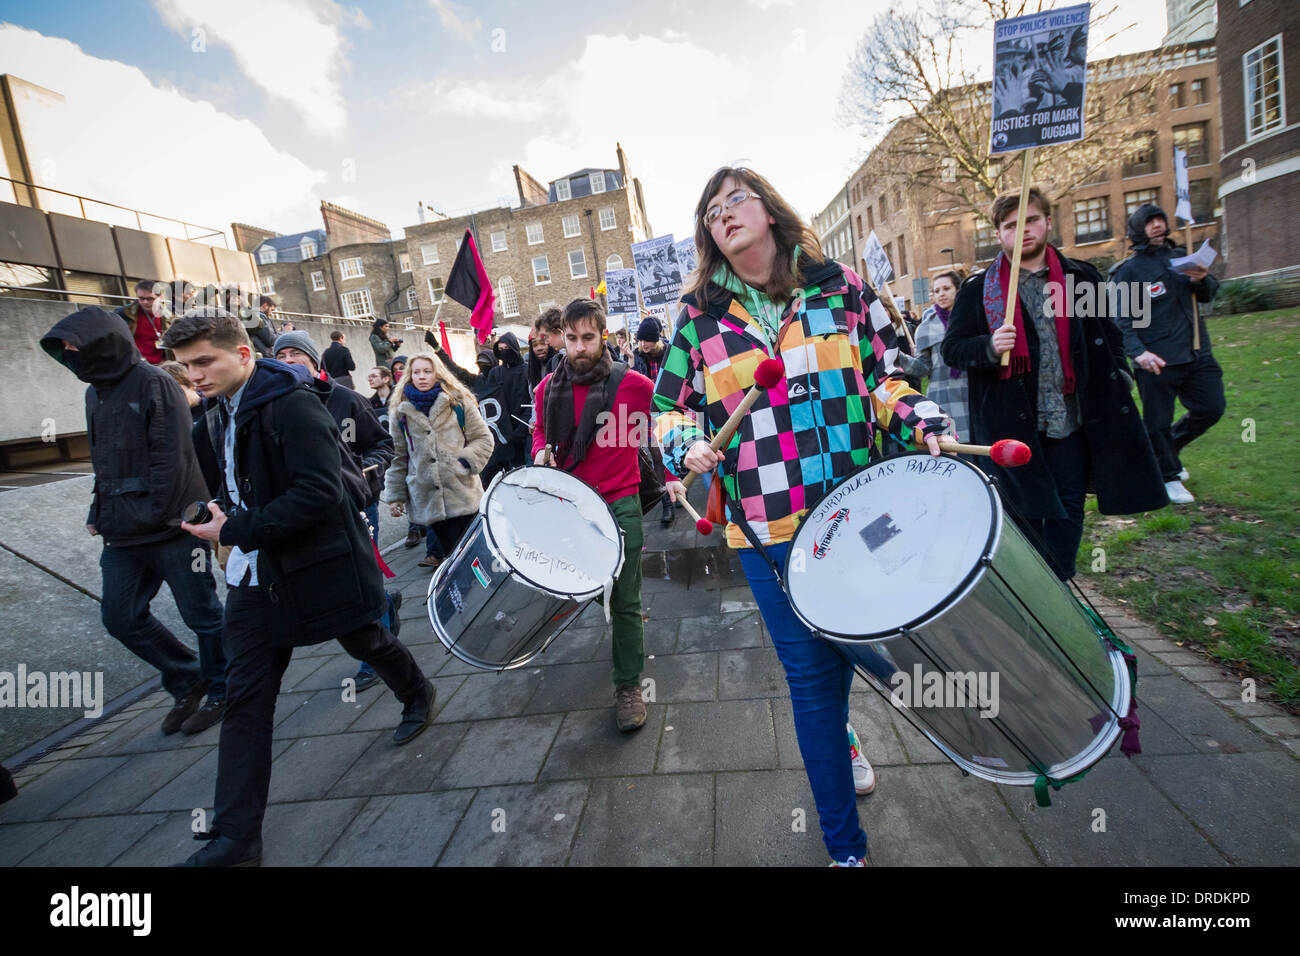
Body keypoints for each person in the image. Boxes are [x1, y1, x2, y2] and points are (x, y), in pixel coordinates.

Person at [652, 167, 952, 867]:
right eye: (711, 211)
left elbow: (889, 374)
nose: (723, 214)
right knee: (812, 682)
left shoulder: (839, 287)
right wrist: (680, 442)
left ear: (769, 209)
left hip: (857, 513)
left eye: (736, 200)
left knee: (865, 654)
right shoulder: (697, 319)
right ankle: (847, 851)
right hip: (769, 532)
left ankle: (843, 734)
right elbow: (665, 411)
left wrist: (916, 414)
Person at [164, 309, 435, 866]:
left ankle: (417, 693)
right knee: (247, 700)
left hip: (319, 569)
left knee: (368, 643)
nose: (194, 375)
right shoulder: (214, 415)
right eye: (187, 365)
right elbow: (238, 484)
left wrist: (234, 527)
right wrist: (223, 511)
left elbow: (321, 494)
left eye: (205, 361)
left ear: (242, 355)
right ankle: (237, 838)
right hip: (254, 581)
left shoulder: (293, 404)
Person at [942, 187, 1168, 581]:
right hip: (1011, 426)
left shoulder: (1080, 277)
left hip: (1071, 420)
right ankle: (1031, 588)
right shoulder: (979, 290)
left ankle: (1058, 582)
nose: (1023, 230)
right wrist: (989, 346)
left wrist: (1121, 374)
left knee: (1068, 507)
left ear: (1048, 222)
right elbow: (953, 350)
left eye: (1031, 220)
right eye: (1011, 225)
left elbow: (1109, 333)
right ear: (999, 235)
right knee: (1023, 513)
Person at [40, 307, 229, 737]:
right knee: (120, 616)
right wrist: (98, 511)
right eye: (65, 350)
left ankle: (223, 688)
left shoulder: (155, 382)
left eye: (75, 346)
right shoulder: (94, 395)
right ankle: (187, 677)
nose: (70, 355)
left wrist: (153, 515)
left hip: (176, 527)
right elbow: (103, 462)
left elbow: (172, 459)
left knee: (202, 615)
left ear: (101, 342)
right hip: (123, 533)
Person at [533, 299, 656, 732]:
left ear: (602, 335)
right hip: (570, 504)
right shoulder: (545, 390)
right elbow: (541, 432)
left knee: (625, 601)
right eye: (571, 338)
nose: (580, 346)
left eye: (588, 337)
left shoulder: (634, 384)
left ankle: (627, 685)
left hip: (621, 503)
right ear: (560, 338)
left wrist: (674, 471)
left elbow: (658, 431)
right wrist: (539, 452)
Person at [271, 331, 403, 693]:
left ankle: (373, 658)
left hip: (358, 503)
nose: (287, 361)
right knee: (350, 582)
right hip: (314, 514)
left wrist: (365, 469)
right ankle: (385, 607)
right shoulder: (274, 407)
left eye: (296, 353)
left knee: (361, 578)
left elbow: (383, 444)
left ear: (314, 362)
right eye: (280, 355)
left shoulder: (345, 399)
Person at [1108, 203, 1223, 504]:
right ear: (1138, 229)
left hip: (1197, 353)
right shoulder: (1129, 271)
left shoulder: (1181, 258)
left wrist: (1202, 279)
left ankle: (1168, 450)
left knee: (1211, 407)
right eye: (1150, 222)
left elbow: (1208, 294)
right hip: (1156, 361)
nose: (1157, 225)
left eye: (1160, 219)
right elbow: (1122, 320)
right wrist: (1139, 354)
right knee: (1157, 422)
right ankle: (1168, 476)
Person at [383, 353, 494, 569]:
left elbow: (483, 438)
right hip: (429, 500)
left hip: (463, 493)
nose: (422, 376)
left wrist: (464, 462)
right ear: (409, 376)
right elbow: (398, 457)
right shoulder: (400, 412)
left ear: (438, 374)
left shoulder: (458, 402)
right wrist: (395, 496)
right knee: (457, 561)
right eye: (416, 372)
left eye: (427, 371)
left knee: (480, 555)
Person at [898, 270, 970, 440]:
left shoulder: (971, 318)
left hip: (972, 394)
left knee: (979, 451)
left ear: (958, 290)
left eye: (946, 288)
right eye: (937, 291)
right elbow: (922, 369)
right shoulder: (926, 326)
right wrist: (897, 356)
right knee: (952, 449)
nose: (941, 294)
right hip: (943, 398)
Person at [631, 316, 675, 526]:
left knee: (669, 458)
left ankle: (675, 491)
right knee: (656, 457)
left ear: (656, 339)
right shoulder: (637, 356)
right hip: (645, 414)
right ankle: (666, 501)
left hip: (667, 411)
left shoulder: (668, 353)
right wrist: (629, 363)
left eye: (646, 340)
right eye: (640, 341)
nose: (643, 345)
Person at [116, 280, 170, 365]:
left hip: (161, 364)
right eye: (141, 298)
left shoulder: (167, 317)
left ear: (160, 298)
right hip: (135, 363)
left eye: (150, 298)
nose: (145, 302)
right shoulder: (124, 314)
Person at [160, 359, 206, 424]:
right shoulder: (170, 419)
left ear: (192, 384)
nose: (171, 398)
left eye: (175, 390)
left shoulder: (213, 406)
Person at [527, 319, 558, 390]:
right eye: (535, 345)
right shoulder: (532, 370)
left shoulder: (560, 363)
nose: (539, 348)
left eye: (542, 343)